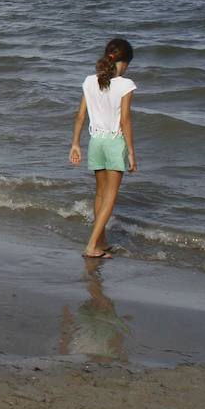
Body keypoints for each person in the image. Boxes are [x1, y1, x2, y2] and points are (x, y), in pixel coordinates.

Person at [68, 38, 137, 258]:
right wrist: (132, 153)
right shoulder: (126, 84)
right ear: (124, 62)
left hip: (95, 141)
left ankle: (101, 241)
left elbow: (80, 116)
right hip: (115, 142)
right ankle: (91, 245)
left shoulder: (89, 81)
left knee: (99, 193)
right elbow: (125, 121)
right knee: (110, 196)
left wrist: (75, 144)